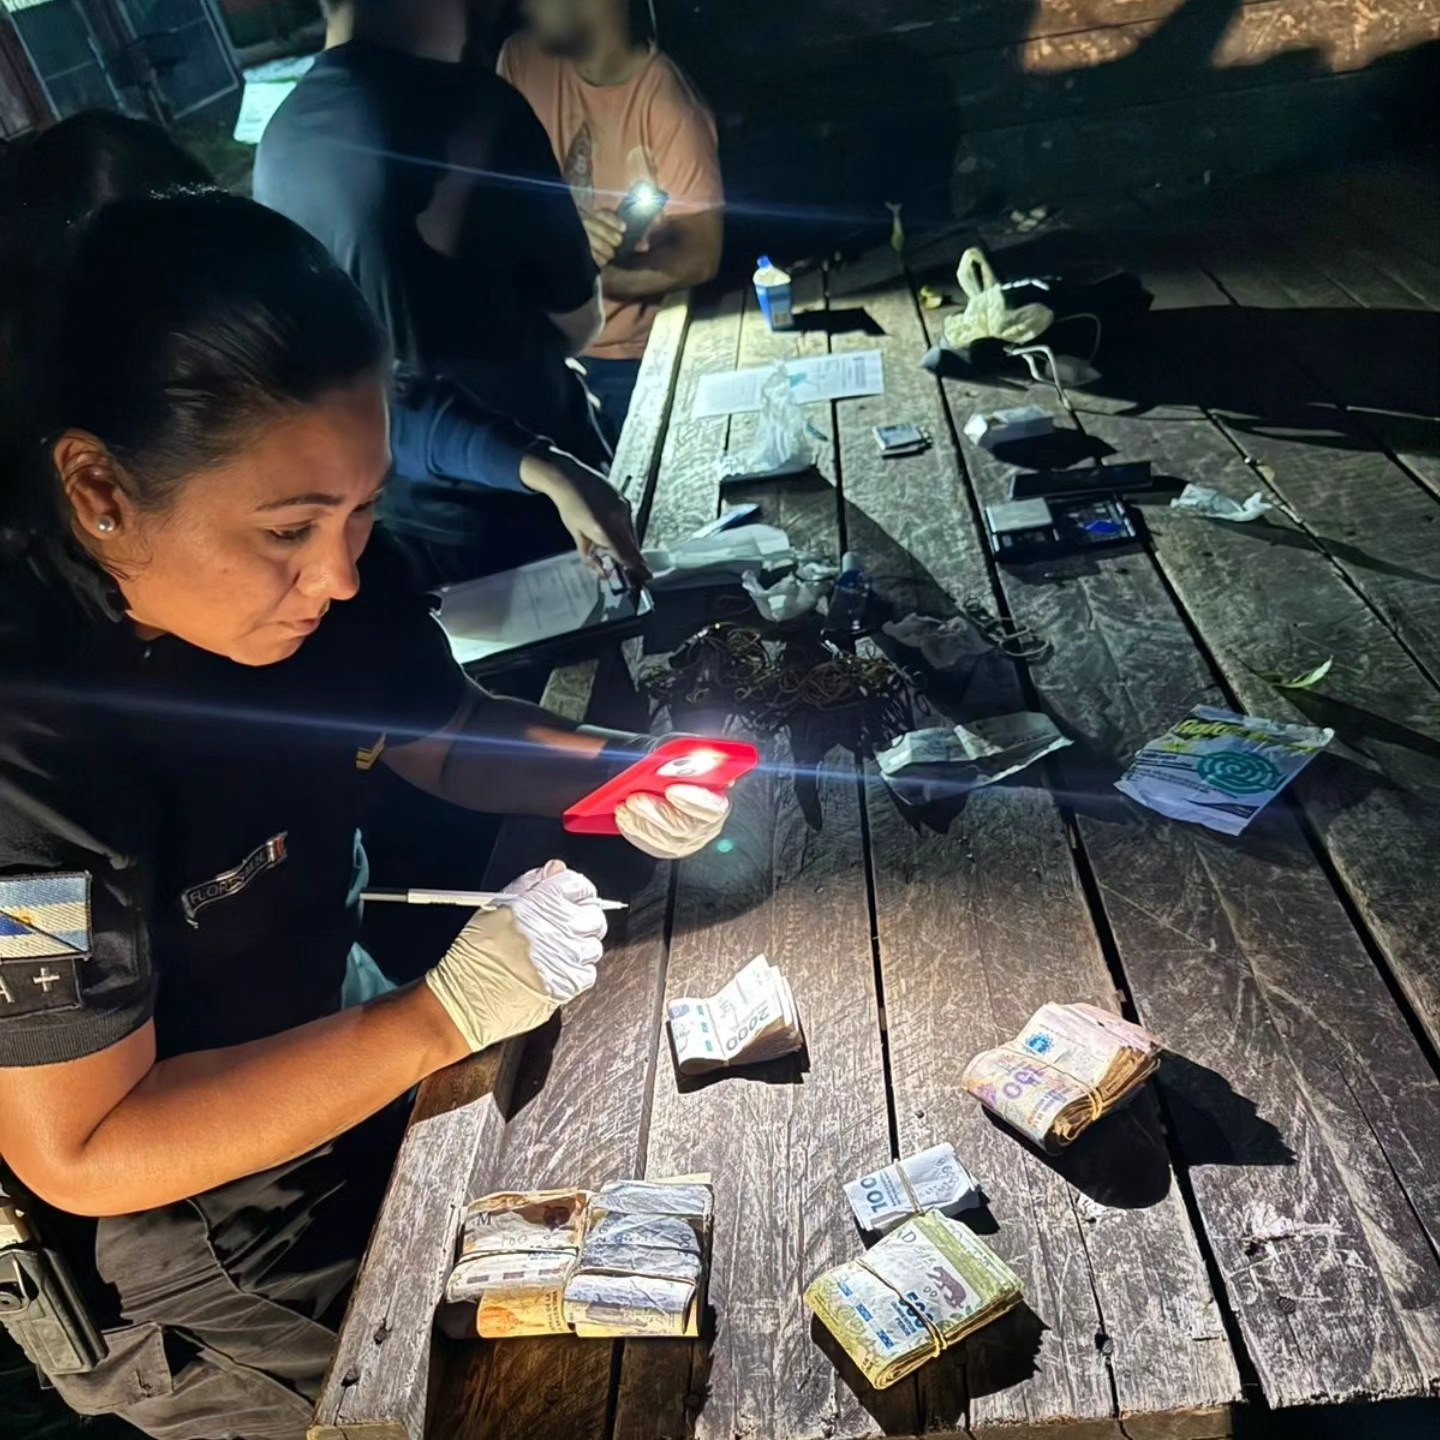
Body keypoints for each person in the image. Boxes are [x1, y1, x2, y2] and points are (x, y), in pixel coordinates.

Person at [0, 189, 729, 1439]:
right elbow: (84, 1147)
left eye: (363, 509)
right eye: (289, 528)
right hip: (193, 1243)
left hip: (347, 1040)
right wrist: (440, 1015)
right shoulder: (26, 769)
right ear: (99, 486)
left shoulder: (330, 591)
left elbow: (441, 733)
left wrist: (627, 770)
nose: (338, 575)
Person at [255, 0, 642, 590]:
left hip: (406, 518)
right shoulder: (479, 108)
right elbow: (578, 322)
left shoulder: (278, 144)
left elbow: (350, 385)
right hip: (551, 504)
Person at [500, 0, 724, 447]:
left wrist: (588, 274)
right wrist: (561, 235)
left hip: (623, 361)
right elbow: (491, 192)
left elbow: (701, 253)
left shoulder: (670, 104)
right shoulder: (521, 60)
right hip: (531, 346)